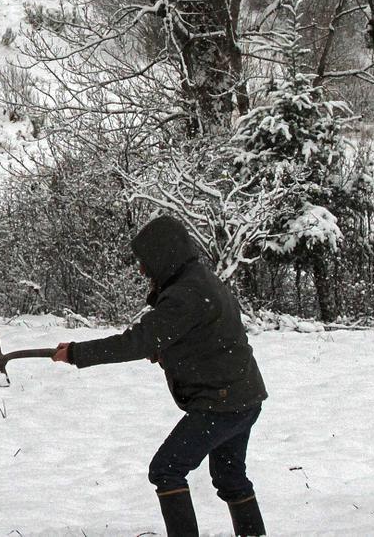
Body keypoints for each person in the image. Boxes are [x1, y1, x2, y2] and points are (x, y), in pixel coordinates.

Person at [52, 215, 267, 537]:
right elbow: (207, 336)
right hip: (243, 397)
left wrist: (76, 353)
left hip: (220, 402)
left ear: (164, 256)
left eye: (145, 262)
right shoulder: (199, 280)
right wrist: (167, 351)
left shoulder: (186, 293)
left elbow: (137, 341)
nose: (142, 270)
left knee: (166, 469)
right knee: (230, 477)